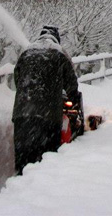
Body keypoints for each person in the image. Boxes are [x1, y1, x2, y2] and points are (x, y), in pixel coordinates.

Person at [12, 25, 81, 175]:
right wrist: (74, 100)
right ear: (57, 38)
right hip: (49, 115)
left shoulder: (26, 52)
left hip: (22, 114)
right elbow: (71, 84)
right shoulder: (59, 53)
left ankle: (18, 186)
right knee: (46, 159)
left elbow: (17, 80)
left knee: (23, 157)